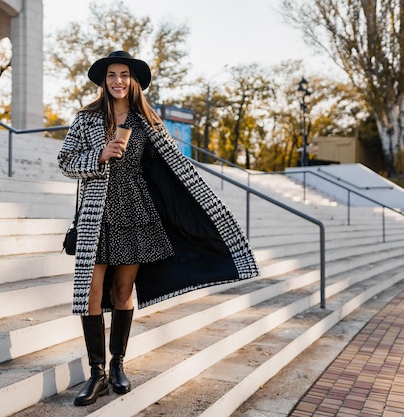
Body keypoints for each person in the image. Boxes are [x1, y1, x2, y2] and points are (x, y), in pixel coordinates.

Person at [58, 50, 259, 407]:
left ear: (133, 81)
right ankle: (97, 373)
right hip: (96, 214)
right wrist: (99, 156)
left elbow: (176, 167)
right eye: (111, 76)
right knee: (90, 293)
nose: (117, 81)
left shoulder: (147, 121)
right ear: (103, 81)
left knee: (123, 292)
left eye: (123, 75)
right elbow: (65, 161)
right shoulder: (86, 119)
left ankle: (118, 365)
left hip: (137, 212)